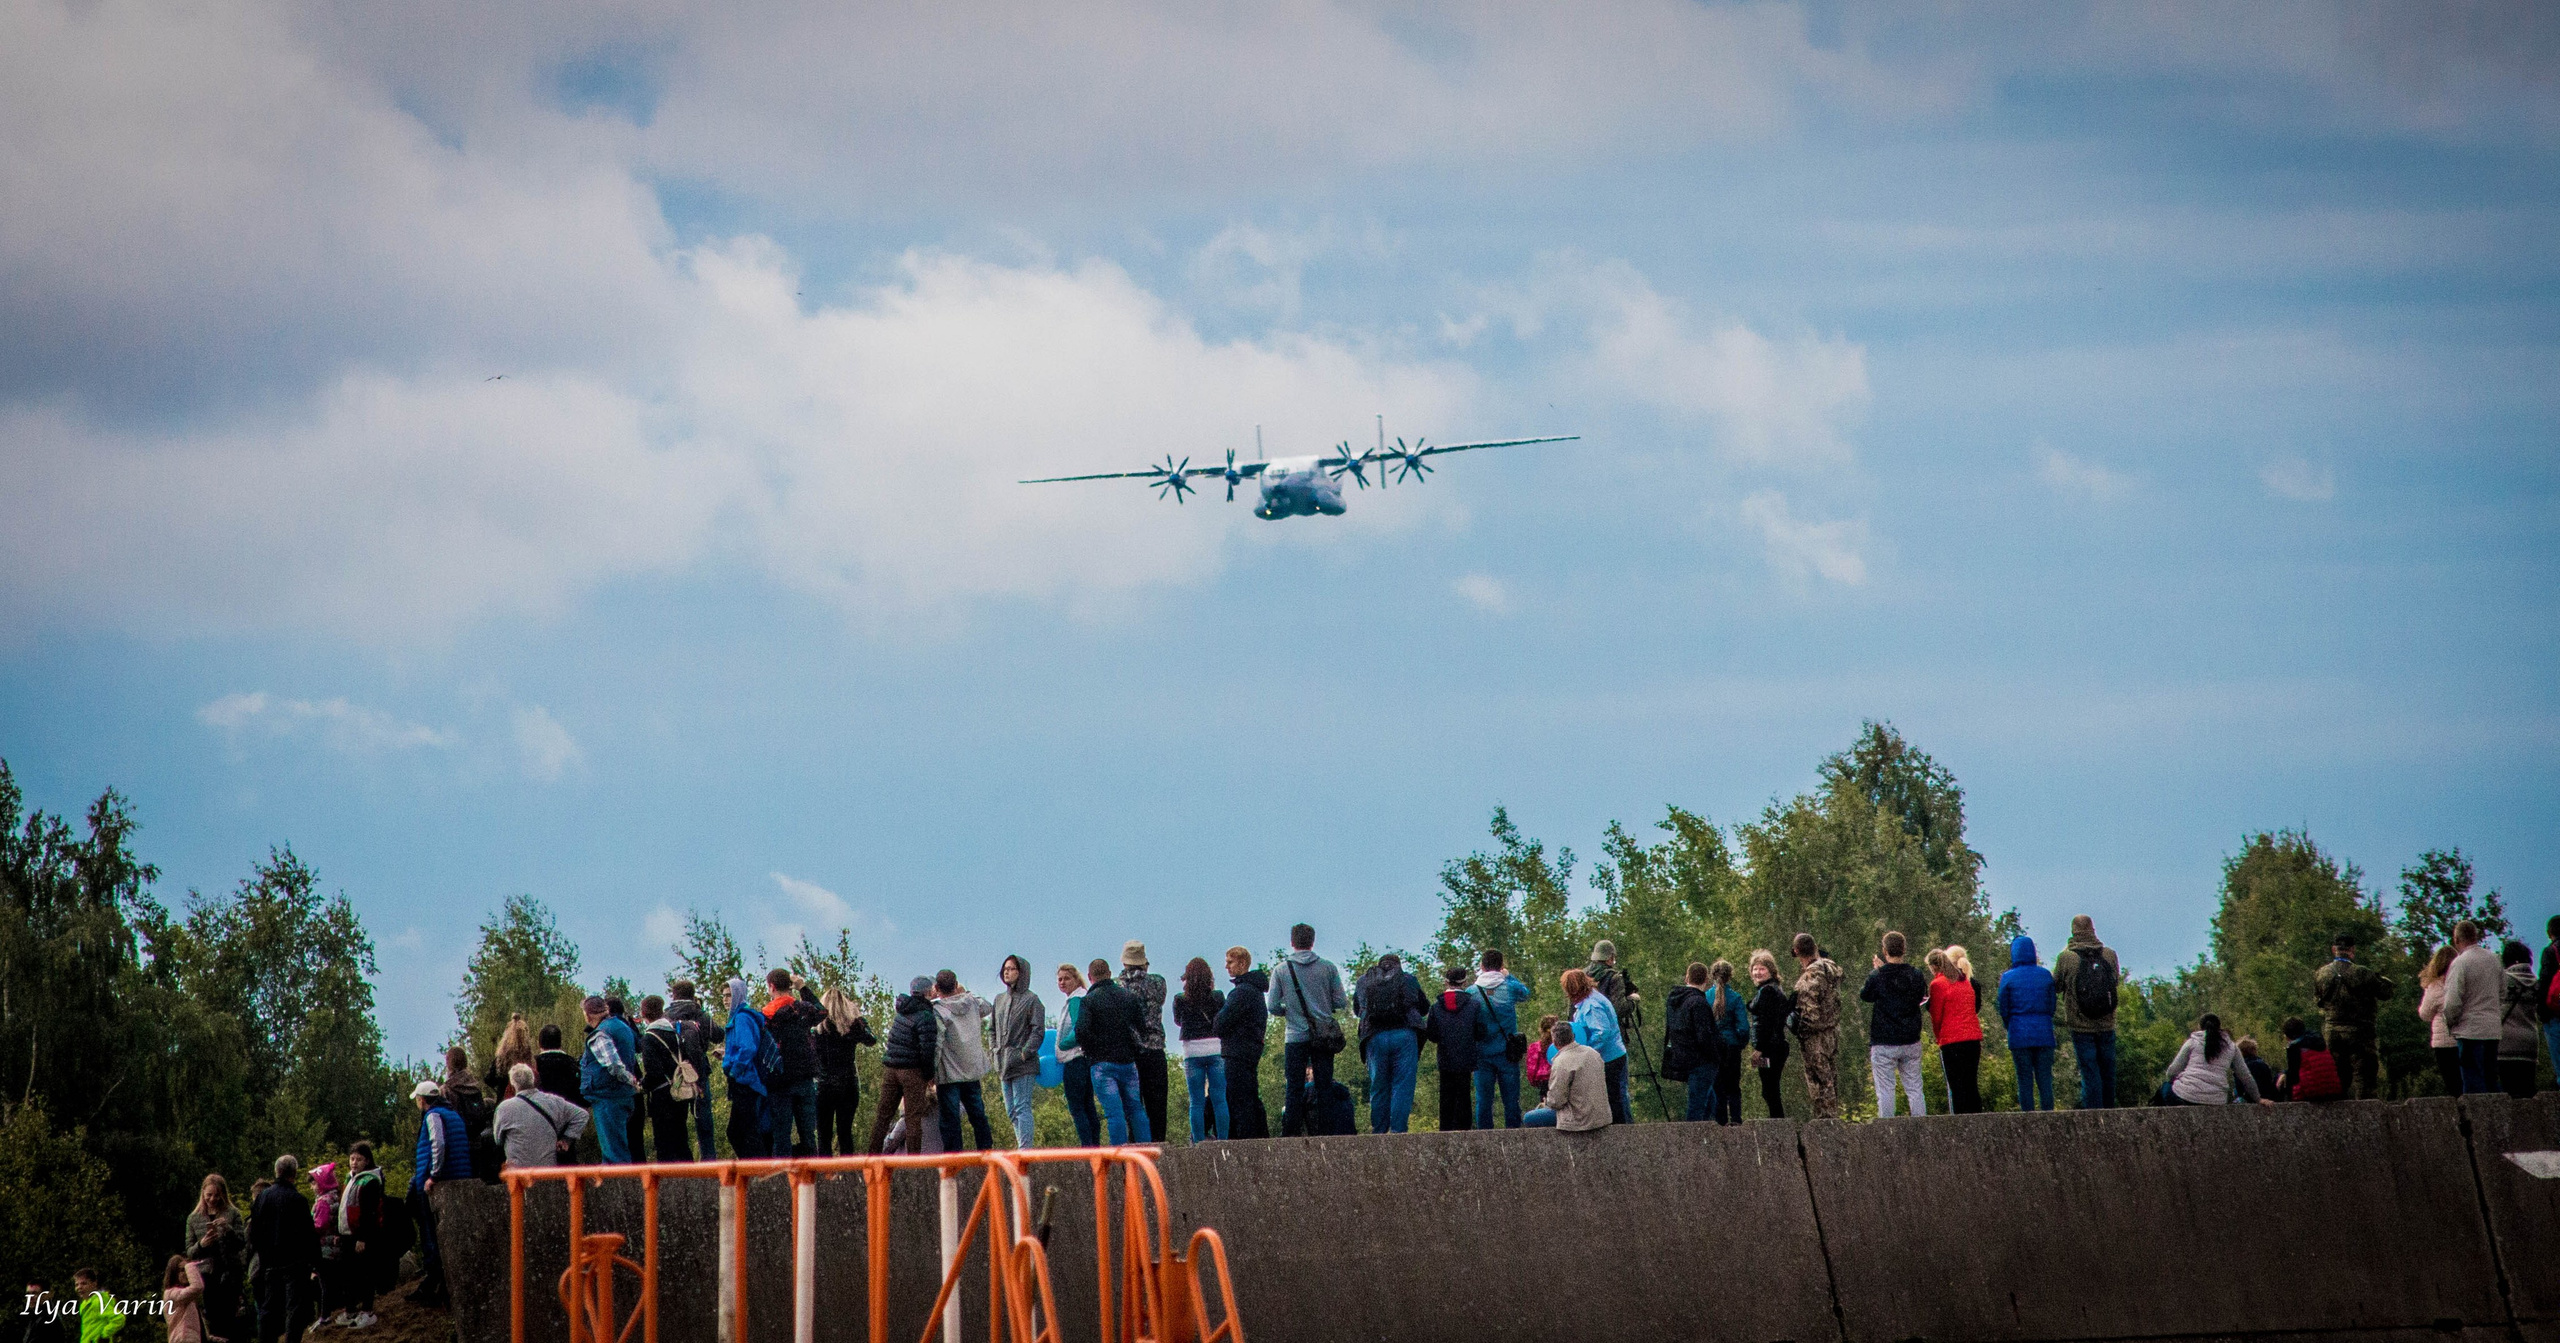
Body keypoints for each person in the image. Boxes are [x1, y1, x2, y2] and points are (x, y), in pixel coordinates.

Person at [1266, 924, 1347, 1139]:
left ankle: (1290, 1134)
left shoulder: (1281, 970)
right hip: (1323, 1035)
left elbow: (1272, 1005)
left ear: (1292, 942)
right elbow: (1341, 1001)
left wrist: (1290, 1012)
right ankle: (1326, 1133)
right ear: (1313, 941)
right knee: (1324, 1085)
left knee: (1294, 1087)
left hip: (1295, 1035)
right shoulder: (1328, 968)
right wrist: (1322, 1007)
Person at [408, 1082, 469, 1306]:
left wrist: (433, 1175)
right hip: (460, 1178)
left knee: (432, 1234)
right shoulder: (453, 1114)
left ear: (422, 1100)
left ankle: (435, 1283)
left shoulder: (432, 1116)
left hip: (438, 1183)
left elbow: (438, 1144)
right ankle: (442, 1283)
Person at [2313, 932, 2395, 1100]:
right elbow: (2386, 992)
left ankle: (2339, 1120)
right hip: (2360, 1033)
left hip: (2332, 1032)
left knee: (2337, 1079)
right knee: (2365, 1079)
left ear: (2333, 949)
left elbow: (2318, 1000)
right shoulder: (2362, 973)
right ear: (2352, 950)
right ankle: (2366, 1118)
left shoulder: (2321, 973)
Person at [1078, 957, 1150, 1144]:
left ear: (1090, 977)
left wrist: (1092, 1050)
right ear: (1109, 974)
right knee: (1136, 1109)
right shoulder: (1128, 996)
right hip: (1128, 1062)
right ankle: (1147, 1151)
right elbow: (1142, 1028)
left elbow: (1081, 1031)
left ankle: (1120, 1155)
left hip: (1102, 1064)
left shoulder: (1089, 1001)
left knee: (1114, 1113)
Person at [2053, 915, 2122, 1109]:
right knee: (2107, 1070)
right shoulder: (2109, 954)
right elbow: (2115, 981)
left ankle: (2093, 1116)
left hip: (2080, 1024)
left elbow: (2056, 985)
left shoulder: (2067, 958)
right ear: (2093, 930)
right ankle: (2110, 1113)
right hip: (2107, 1022)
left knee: (2089, 1071)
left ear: (2073, 932)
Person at [1353, 953, 1426, 1134]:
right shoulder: (1408, 979)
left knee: (1378, 1086)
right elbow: (1424, 1007)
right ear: (1398, 965)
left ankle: (1379, 1132)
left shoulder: (1364, 981)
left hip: (1374, 1036)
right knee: (1402, 1085)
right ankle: (1398, 1132)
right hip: (1404, 1035)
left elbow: (1357, 1009)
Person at [756, 970, 826, 1157]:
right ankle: (811, 1179)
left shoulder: (765, 1015)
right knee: (808, 1134)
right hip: (804, 1077)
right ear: (789, 985)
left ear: (771, 986)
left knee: (781, 1134)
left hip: (778, 1080)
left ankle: (781, 1179)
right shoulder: (802, 1009)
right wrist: (802, 987)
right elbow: (821, 1011)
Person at [1861, 932, 1929, 1117]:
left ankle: (1888, 1131)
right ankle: (1922, 1127)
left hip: (1884, 1040)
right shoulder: (1915, 975)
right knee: (1915, 1088)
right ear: (1904, 949)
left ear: (1884, 951)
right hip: (1910, 1039)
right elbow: (1919, 996)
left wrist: (1877, 971)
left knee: (1885, 1090)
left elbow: (1865, 995)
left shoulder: (1878, 976)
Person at [247, 1156, 315, 1343]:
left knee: (269, 1309)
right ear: (294, 1173)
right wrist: (313, 1261)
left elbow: (254, 1232)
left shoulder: (262, 1198)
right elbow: (308, 1234)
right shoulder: (297, 1199)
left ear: (276, 1172)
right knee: (294, 1308)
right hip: (295, 1262)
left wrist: (263, 1254)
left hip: (269, 1262)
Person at [870, 977, 940, 1154]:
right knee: (913, 1119)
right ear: (928, 992)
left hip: (891, 1069)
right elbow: (927, 1049)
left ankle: (871, 1159)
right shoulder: (926, 1016)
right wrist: (929, 1074)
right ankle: (913, 1166)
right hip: (912, 1072)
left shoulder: (902, 1011)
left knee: (883, 1116)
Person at [929, 970, 997, 1151]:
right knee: (978, 1114)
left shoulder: (939, 1011)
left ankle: (954, 1157)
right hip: (972, 1070)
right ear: (956, 984)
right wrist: (966, 992)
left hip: (949, 1073)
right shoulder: (972, 1003)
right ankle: (986, 1150)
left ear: (936, 988)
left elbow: (937, 1044)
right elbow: (988, 1006)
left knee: (951, 1119)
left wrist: (931, 1070)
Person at [1425, 964, 1494, 1131]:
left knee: (1446, 1095)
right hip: (1466, 1056)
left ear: (1446, 982)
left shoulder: (1436, 1007)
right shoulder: (1474, 1005)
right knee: (1464, 1094)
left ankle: (1445, 1129)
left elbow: (1432, 1035)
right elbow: (1480, 1032)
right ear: (1464, 982)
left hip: (1445, 1056)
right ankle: (1464, 1130)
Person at [1116, 943, 1173, 1146]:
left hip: (1131, 1051)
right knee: (1157, 1104)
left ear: (1124, 962)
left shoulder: (1119, 986)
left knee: (1133, 1105)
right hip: (1155, 1048)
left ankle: (1136, 1146)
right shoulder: (1158, 983)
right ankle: (1159, 1145)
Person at [1471, 950, 1534, 1129]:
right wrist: (1509, 976)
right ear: (1501, 966)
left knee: (1483, 1101)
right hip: (1508, 1051)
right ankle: (1514, 1138)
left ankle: (1484, 1138)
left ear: (1482, 967)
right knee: (1511, 1101)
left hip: (1482, 1053)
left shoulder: (1472, 992)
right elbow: (1526, 993)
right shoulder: (1510, 987)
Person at [2440, 920, 2505, 1094]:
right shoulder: (2494, 959)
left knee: (2472, 1080)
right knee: (2491, 1078)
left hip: (2470, 1030)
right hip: (2492, 1029)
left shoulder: (2460, 963)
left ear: (2456, 939)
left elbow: (2452, 1001)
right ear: (2476, 936)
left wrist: (2450, 1022)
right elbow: (2503, 993)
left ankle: (2477, 1119)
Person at [577, 994, 642, 1163]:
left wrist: (630, 1080)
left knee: (613, 1154)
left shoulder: (600, 1034)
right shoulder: (622, 1026)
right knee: (619, 1146)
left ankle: (620, 1188)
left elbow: (613, 1064)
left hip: (608, 1097)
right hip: (622, 1096)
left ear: (588, 1014)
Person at [663, 981, 723, 1162]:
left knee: (677, 1123)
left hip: (674, 1073)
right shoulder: (700, 1014)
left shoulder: (665, 1017)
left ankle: (682, 1164)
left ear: (673, 995)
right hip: (698, 1071)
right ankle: (709, 1162)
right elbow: (718, 1035)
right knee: (704, 1122)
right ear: (693, 994)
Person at [990, 956, 1046, 1148]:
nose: (1007, 972)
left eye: (1012, 968)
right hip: (1003, 1062)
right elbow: (992, 1030)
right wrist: (994, 1051)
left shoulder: (1032, 1000)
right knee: (1010, 1110)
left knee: (1022, 1107)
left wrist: (1025, 1053)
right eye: (1005, 968)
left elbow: (1038, 1030)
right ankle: (1021, 1145)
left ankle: (1025, 1150)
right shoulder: (999, 999)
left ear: (1021, 972)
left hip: (1024, 1064)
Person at [1562, 967, 1630, 1124]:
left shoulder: (1592, 1005)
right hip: (1611, 1056)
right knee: (1614, 1098)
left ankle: (1621, 1135)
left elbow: (1601, 1033)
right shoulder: (1591, 998)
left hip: (1610, 1058)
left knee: (1614, 1099)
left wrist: (1585, 1053)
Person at [1586, 940, 1646, 1119]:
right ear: (1610, 958)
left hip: (1588, 1037)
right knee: (1620, 1088)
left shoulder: (1584, 976)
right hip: (1613, 1038)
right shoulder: (1614, 977)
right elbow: (1619, 1008)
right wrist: (1633, 1000)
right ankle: (1625, 1127)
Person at [813, 987, 876, 1156]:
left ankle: (824, 1175)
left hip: (823, 1084)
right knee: (845, 1133)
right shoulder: (853, 1026)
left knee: (823, 1134)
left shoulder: (817, 1029)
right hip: (847, 1083)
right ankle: (848, 1176)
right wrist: (859, 1018)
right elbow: (871, 1040)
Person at [1997, 935, 2057, 1112]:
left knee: (2024, 1079)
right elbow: (2052, 1005)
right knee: (2045, 1079)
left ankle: (2028, 1118)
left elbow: (2003, 1006)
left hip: (2019, 1033)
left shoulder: (2008, 978)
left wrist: (2010, 1024)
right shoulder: (2045, 975)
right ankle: (2049, 1115)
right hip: (2044, 1033)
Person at [2159, 1014, 2270, 1107]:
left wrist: (2178, 1079)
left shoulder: (2192, 1041)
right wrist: (2258, 1099)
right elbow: (2246, 1076)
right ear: (2219, 1026)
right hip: (2217, 1099)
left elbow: (2172, 1071)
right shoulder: (2231, 1046)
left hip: (2187, 1096)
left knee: (2165, 1087)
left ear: (2200, 1027)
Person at [1216, 948, 1270, 1140]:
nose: (1226, 966)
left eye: (1230, 962)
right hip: (1250, 1050)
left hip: (1237, 1051)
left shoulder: (1241, 993)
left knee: (1238, 1099)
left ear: (1242, 964)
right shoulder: (1255, 992)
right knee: (1250, 1096)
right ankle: (1260, 1136)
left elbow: (1220, 1024)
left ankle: (1244, 1140)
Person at [492, 1061, 588, 1168]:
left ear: (513, 1084)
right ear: (532, 1080)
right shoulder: (554, 1101)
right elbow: (582, 1115)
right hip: (547, 1172)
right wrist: (566, 1140)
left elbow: (498, 1140)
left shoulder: (504, 1108)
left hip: (518, 1173)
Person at [1172, 957, 1228, 1142]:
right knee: (1219, 1099)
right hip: (1215, 1048)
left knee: (1196, 1101)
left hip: (1192, 1051)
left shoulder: (1180, 999)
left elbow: (1178, 1021)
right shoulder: (1218, 996)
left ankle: (1197, 1142)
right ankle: (1223, 1140)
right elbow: (1222, 1018)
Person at [185, 1174, 246, 1342]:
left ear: (223, 1194)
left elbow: (241, 1243)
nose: (212, 1199)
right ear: (203, 1194)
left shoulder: (232, 1213)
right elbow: (189, 1251)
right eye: (209, 1195)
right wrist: (202, 1244)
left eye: (216, 1195)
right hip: (206, 1275)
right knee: (213, 1321)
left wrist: (228, 1230)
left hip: (230, 1273)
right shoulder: (193, 1218)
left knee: (232, 1319)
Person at [1924, 946, 1984, 1114]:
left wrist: (1939, 1037)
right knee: (1971, 1084)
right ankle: (1979, 1123)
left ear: (1934, 966)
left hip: (1952, 1041)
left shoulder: (1938, 984)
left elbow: (1936, 1016)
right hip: (1972, 1039)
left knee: (1956, 1087)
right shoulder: (1965, 981)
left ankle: (1960, 1128)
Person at [1790, 934, 1845, 1120]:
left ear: (1797, 952)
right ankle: (1833, 1118)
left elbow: (1810, 1014)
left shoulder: (1810, 976)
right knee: (1831, 1079)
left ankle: (1826, 1123)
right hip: (1832, 1032)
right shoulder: (1831, 968)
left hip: (1815, 1038)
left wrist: (1798, 1027)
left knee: (1820, 1083)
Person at [632, 997, 692, 1162]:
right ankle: (692, 1180)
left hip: (662, 1096)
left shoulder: (650, 1037)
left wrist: (641, 1086)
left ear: (644, 1013)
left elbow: (654, 1072)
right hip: (680, 1091)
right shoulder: (675, 1032)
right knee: (681, 1140)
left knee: (664, 1144)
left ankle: (668, 1184)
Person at [331, 1143, 383, 1328]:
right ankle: (350, 1309)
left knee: (365, 1273)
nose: (354, 1163)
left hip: (361, 1235)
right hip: (346, 1233)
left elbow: (369, 1213)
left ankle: (367, 1311)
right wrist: (339, 1231)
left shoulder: (370, 1180)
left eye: (359, 1159)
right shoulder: (350, 1178)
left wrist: (363, 1237)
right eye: (352, 1158)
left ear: (367, 1160)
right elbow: (343, 1208)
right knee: (347, 1274)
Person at [719, 978, 774, 1157]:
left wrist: (735, 1069)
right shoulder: (742, 1017)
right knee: (745, 1130)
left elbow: (748, 1047)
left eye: (729, 995)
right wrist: (728, 1056)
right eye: (723, 996)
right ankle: (758, 1172)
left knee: (740, 1132)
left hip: (746, 1081)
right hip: (747, 1079)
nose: (726, 1000)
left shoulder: (741, 1018)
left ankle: (758, 1173)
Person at [1523, 1021, 1610, 1131]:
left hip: (1578, 1118)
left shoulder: (1561, 1061)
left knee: (1529, 1118)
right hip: (1601, 1116)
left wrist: (1547, 1102)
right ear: (1573, 1036)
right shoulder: (1593, 1053)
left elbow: (1557, 1101)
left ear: (1554, 1042)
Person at [1662, 962, 1718, 1123]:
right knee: (1697, 1107)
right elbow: (1704, 1036)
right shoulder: (1699, 1003)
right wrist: (1716, 1055)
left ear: (1687, 978)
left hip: (1682, 1056)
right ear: (1706, 980)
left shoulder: (1674, 1001)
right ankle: (1695, 1142)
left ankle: (1710, 1134)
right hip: (1700, 1060)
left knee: (1709, 1102)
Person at [1054, 964, 1100, 1146]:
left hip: (1075, 1058)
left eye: (1066, 978)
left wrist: (1062, 1045)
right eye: (1059, 979)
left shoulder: (1076, 999)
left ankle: (1088, 1146)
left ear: (1076, 979)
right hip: (1086, 1059)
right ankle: (1094, 1145)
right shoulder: (1084, 996)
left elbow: (1078, 1029)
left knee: (1077, 1106)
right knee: (1088, 1105)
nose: (1062, 982)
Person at [1746, 952, 1791, 1119]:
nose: (1757, 972)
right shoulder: (1771, 989)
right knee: (1769, 1089)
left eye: (1762, 969)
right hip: (1774, 1047)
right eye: (1755, 969)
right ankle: (1777, 1122)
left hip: (1770, 1048)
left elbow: (1768, 1023)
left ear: (1771, 970)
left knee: (1770, 1089)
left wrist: (1759, 1049)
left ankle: (1778, 1124)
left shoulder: (1767, 992)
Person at [1707, 961, 1750, 1125]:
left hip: (1714, 1048)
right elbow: (1743, 1028)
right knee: (1733, 1086)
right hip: (1732, 1047)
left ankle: (1720, 1121)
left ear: (1712, 975)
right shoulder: (1735, 998)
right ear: (1730, 976)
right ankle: (1736, 1120)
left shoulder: (1706, 997)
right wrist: (1741, 1043)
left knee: (1717, 1087)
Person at [2498, 940, 2542, 1099]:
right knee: (2527, 1092)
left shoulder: (2503, 981)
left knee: (2509, 1094)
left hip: (2505, 1043)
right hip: (2530, 1042)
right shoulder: (2536, 984)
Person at [2418, 946, 2461, 1094]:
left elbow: (2424, 1014)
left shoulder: (2435, 986)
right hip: (2465, 1037)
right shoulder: (2462, 984)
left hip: (2443, 1041)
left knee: (2451, 1082)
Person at [2274, 1018, 2340, 1102]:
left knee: (2279, 1079)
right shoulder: (2319, 1042)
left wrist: (2284, 1074)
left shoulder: (2295, 1048)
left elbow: (2293, 1075)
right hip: (2333, 1089)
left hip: (2313, 1092)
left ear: (2288, 1036)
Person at [533, 1024, 583, 1104]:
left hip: (539, 1112)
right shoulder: (573, 1064)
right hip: (568, 1113)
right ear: (560, 1042)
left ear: (539, 1043)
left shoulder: (533, 1065)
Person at [70, 1271, 123, 1343]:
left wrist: (103, 1336)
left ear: (94, 1284)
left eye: (84, 1283)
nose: (79, 1287)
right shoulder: (84, 1303)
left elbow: (119, 1318)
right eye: (76, 1285)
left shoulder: (98, 1301)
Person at [491, 1015, 537, 1097]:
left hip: (504, 1100)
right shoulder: (529, 1058)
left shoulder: (501, 1058)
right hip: (526, 1100)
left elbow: (489, 1079)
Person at [164, 1257, 207, 1343]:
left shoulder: (188, 1299)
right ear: (174, 1274)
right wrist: (189, 1266)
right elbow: (197, 1287)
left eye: (186, 1270)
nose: (186, 1273)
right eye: (182, 1270)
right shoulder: (171, 1293)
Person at [1523, 1013, 1559, 1103]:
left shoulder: (1534, 1047)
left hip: (1543, 1083)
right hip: (1559, 1080)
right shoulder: (1561, 1046)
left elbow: (1531, 1070)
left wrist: (1534, 1082)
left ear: (1541, 1029)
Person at [2236, 1037, 2279, 1103]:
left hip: (2248, 1099)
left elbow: (2239, 1087)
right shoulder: (2263, 1064)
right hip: (2266, 1097)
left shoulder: (2241, 1067)